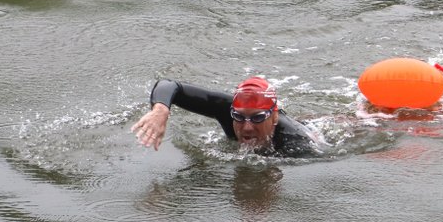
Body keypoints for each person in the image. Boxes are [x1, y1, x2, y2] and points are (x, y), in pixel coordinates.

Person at [130, 76, 318, 157]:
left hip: (313, 128)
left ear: (274, 117)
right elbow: (170, 85)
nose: (246, 127)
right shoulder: (226, 109)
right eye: (238, 116)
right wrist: (160, 111)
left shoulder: (298, 142)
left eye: (258, 118)